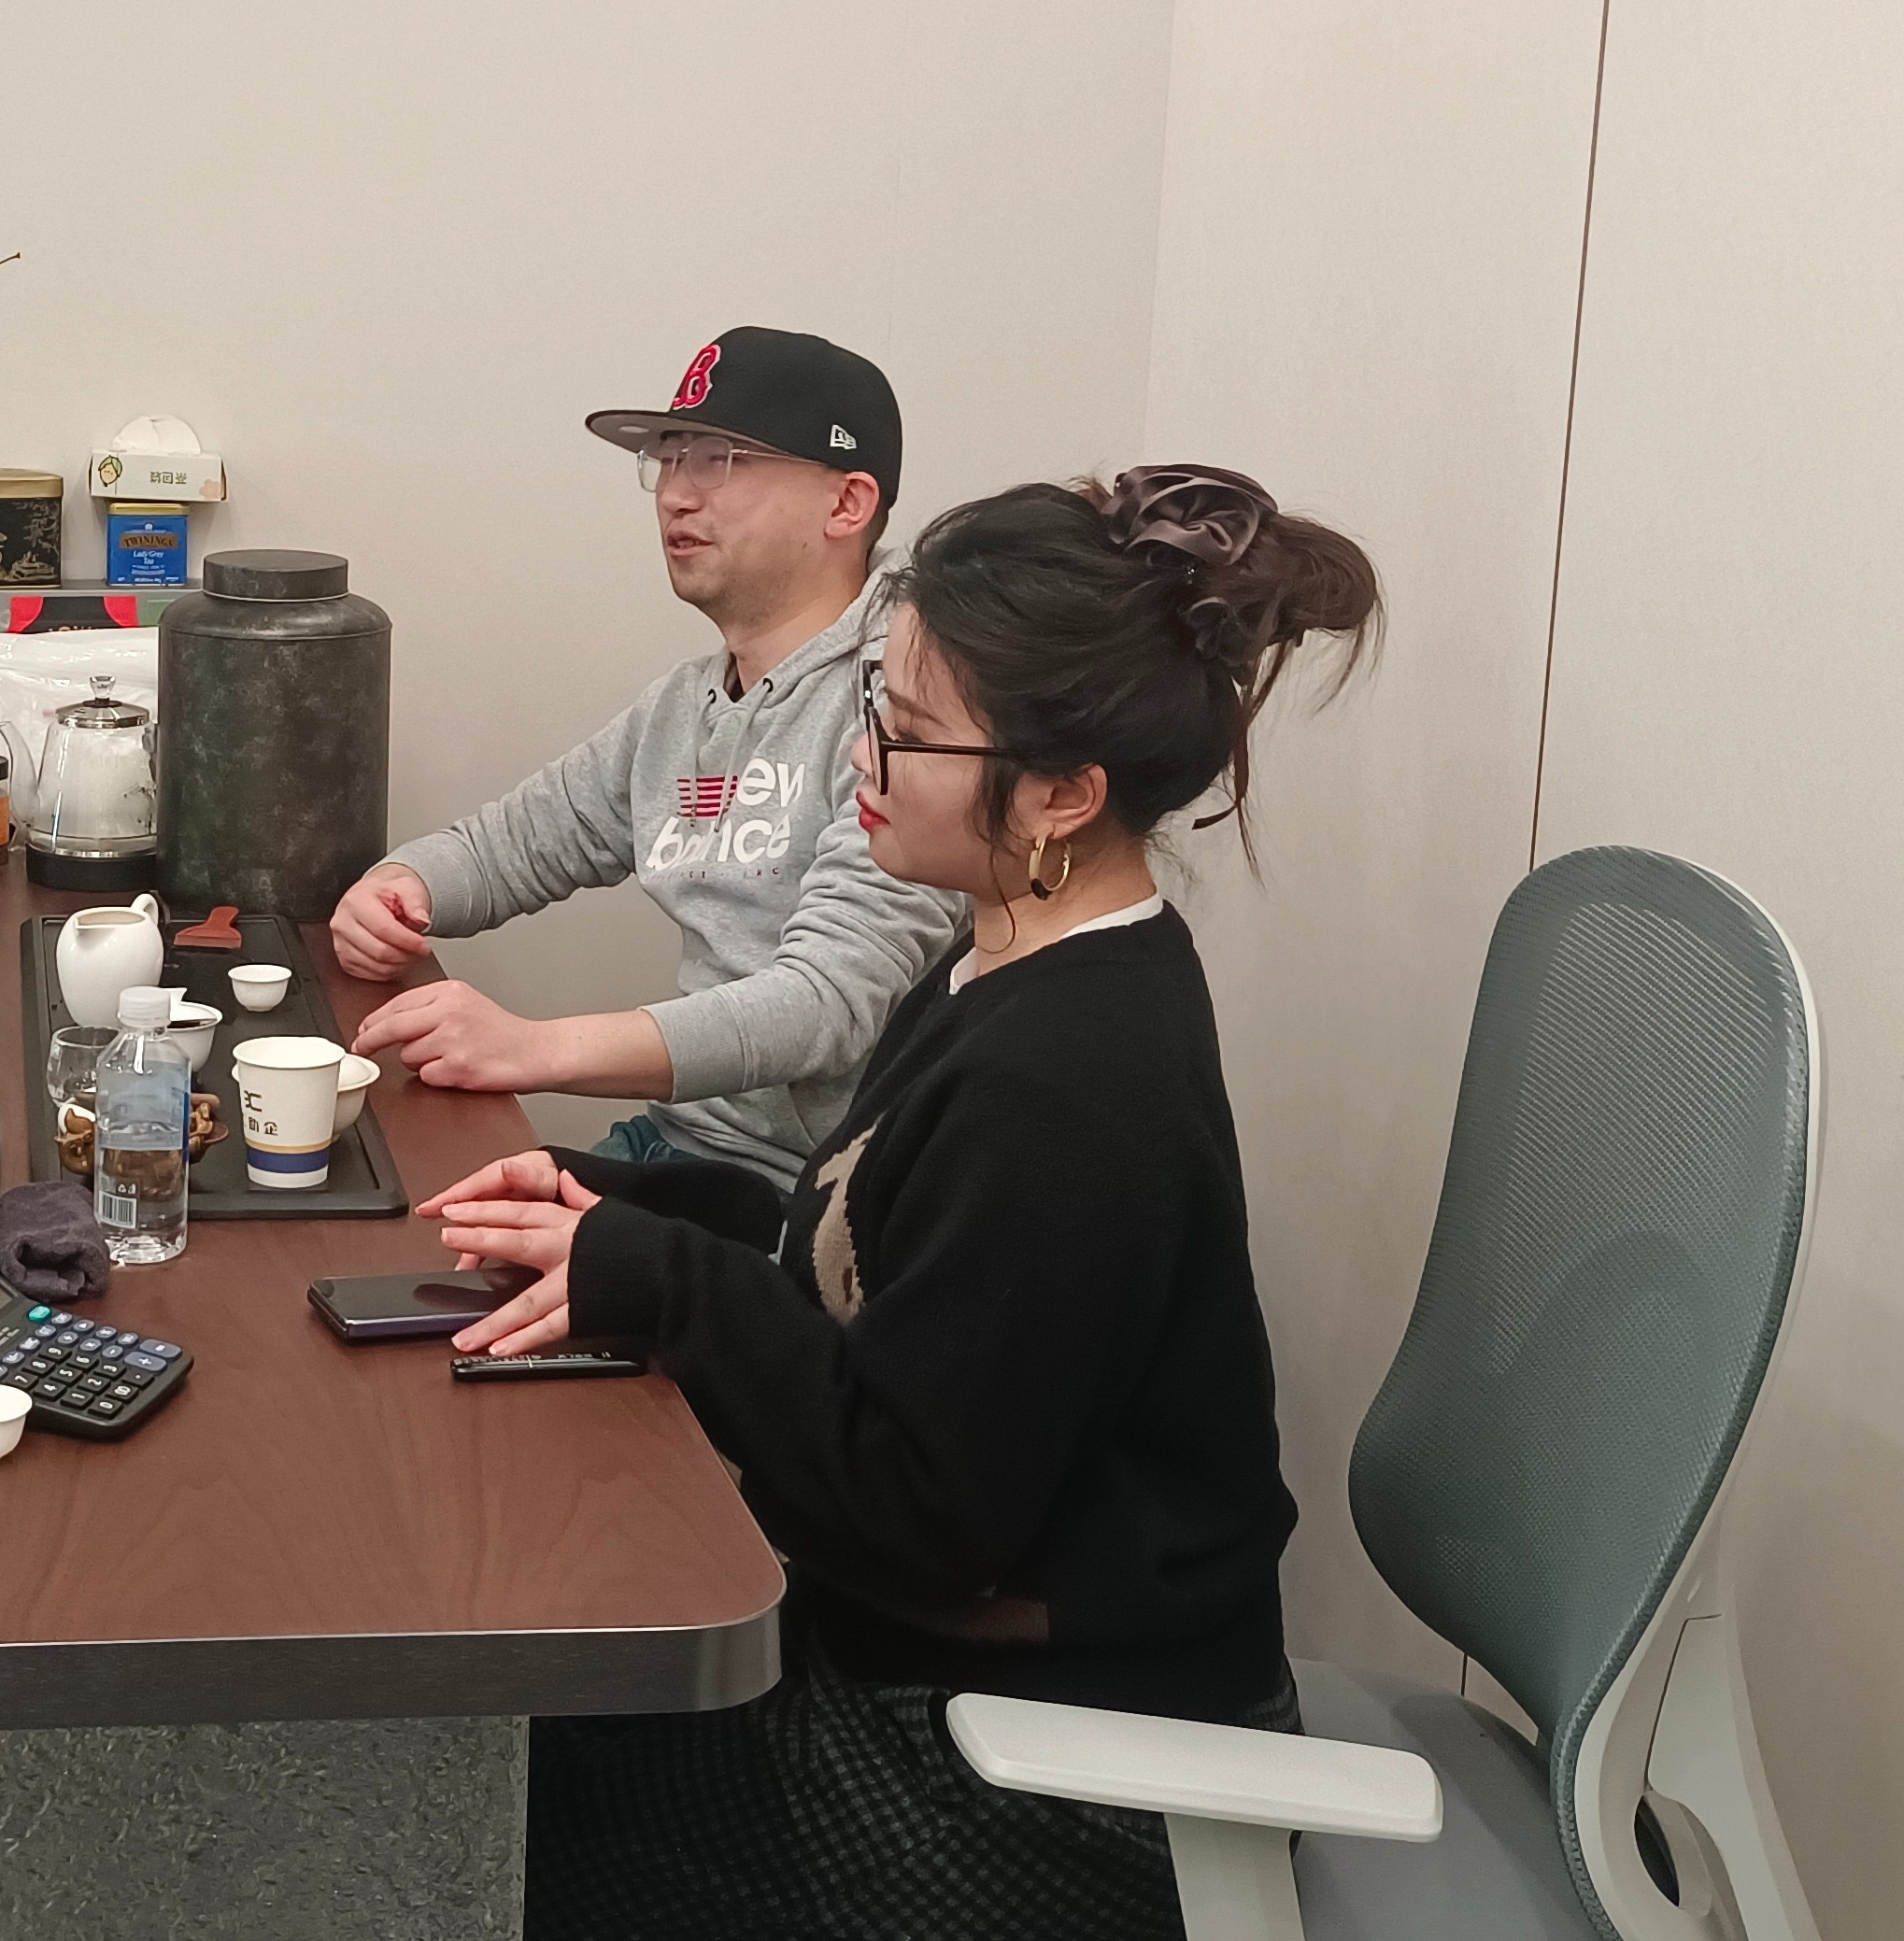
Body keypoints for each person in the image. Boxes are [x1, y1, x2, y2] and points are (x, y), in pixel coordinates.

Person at [419, 465, 1381, 1939]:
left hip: (1046, 1784)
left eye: (908, 732)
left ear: (1061, 793)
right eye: (874, 705)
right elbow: (868, 1257)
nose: (859, 759)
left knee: (458, 1827)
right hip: (933, 1673)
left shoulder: (1067, 1086)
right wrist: (620, 1208)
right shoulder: (1008, 955)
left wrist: (665, 1282)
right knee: (483, 1747)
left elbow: (920, 1514)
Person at [332, 327, 963, 1189]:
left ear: (846, 504)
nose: (674, 495)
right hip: (679, 1145)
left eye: (718, 462)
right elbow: (511, 845)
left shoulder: (913, 707)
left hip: (812, 1195)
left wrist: (534, 1047)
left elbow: (826, 1003)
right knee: (423, 1223)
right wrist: (398, 887)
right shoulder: (685, 704)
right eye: (667, 461)